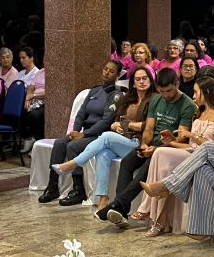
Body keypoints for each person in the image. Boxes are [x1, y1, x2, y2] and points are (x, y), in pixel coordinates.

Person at [97, 68, 196, 228]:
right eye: (162, 91)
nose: (166, 95)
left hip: (170, 147)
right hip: (152, 143)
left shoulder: (187, 105)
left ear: (177, 84)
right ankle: (121, 211)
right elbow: (149, 128)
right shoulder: (156, 100)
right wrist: (144, 144)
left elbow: (180, 138)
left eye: (169, 91)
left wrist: (156, 149)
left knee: (146, 167)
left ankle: (117, 205)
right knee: (127, 162)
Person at [52, 65, 156, 211]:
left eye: (145, 78)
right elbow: (116, 120)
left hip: (138, 142)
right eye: (138, 79)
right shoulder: (128, 99)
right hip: (123, 139)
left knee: (106, 136)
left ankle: (74, 163)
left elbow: (150, 125)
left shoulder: (155, 99)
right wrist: (115, 125)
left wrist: (130, 125)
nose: (141, 82)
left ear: (151, 80)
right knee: (103, 154)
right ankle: (102, 199)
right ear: (133, 82)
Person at [135, 77, 214, 236]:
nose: (194, 96)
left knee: (162, 154)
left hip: (206, 158)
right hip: (190, 152)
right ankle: (160, 217)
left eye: (196, 92)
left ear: (206, 92)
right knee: (160, 152)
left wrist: (190, 134)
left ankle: (153, 210)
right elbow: (190, 145)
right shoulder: (199, 113)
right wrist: (171, 142)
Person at [39, 60, 123, 206]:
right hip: (84, 132)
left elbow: (106, 121)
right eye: (105, 69)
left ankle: (79, 190)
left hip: (100, 135)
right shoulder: (95, 90)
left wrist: (84, 134)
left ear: (117, 75)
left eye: (111, 71)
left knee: (73, 146)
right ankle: (52, 186)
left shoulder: (115, 95)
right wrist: (76, 130)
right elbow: (81, 113)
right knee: (60, 143)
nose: (106, 72)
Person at [16, 46, 46, 142]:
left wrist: (33, 95)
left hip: (44, 101)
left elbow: (51, 92)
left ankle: (38, 140)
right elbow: (30, 87)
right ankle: (28, 139)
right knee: (16, 111)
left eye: (24, 57)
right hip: (33, 100)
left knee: (34, 115)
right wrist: (27, 99)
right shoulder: (40, 72)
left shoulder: (54, 74)